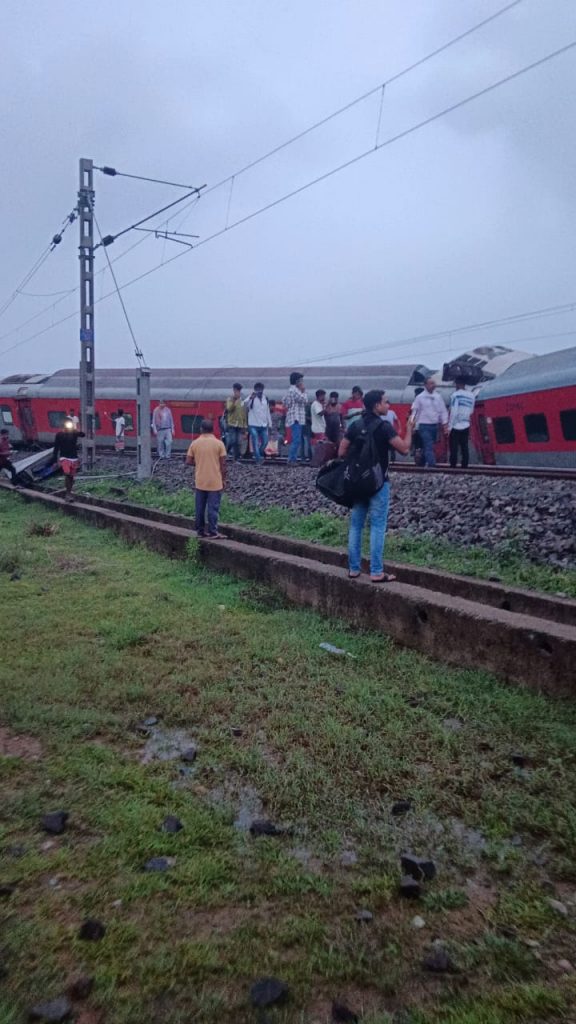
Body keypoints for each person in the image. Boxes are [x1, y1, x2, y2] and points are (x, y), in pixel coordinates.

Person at [338, 390, 413, 582]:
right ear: (376, 406)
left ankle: (354, 569)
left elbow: (341, 451)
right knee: (377, 526)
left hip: (357, 483)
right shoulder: (384, 427)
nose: (388, 406)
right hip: (379, 483)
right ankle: (377, 571)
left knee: (356, 526)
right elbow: (404, 449)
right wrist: (410, 428)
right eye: (386, 403)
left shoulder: (355, 425)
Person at [186, 419, 227, 538]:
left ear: (201, 430)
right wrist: (224, 479)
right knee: (213, 508)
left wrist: (199, 462)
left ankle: (200, 531)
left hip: (200, 481)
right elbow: (223, 465)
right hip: (215, 481)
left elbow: (188, 461)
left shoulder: (195, 443)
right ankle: (213, 531)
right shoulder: (219, 444)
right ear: (213, 430)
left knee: (200, 507)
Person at [410, 378, 448, 467]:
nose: (433, 385)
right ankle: (432, 465)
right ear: (426, 385)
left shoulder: (438, 397)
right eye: (431, 383)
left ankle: (422, 461)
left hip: (435, 425)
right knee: (428, 444)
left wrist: (445, 424)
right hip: (424, 425)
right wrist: (412, 425)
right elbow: (415, 412)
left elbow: (443, 411)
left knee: (429, 445)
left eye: (434, 383)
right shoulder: (420, 397)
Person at [53, 420, 85, 501]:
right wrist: (54, 461)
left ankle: (69, 492)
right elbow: (56, 448)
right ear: (64, 426)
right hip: (64, 457)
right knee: (67, 474)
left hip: (74, 457)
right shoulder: (59, 435)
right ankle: (68, 494)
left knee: (71, 477)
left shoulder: (74, 433)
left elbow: (83, 435)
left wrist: (76, 430)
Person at [449, 378, 475, 469]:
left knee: (454, 446)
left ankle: (453, 465)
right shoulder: (471, 395)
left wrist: (450, 426)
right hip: (466, 423)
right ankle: (465, 465)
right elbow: (472, 410)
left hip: (456, 425)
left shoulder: (455, 395)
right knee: (464, 446)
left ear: (457, 384)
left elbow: (454, 411)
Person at [283, 372, 308, 464]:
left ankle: (292, 458)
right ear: (297, 381)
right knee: (296, 440)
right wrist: (303, 391)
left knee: (296, 439)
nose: (302, 382)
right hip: (296, 418)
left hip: (294, 418)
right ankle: (291, 459)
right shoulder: (295, 391)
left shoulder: (290, 390)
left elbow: (284, 401)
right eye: (301, 380)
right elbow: (304, 400)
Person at [244, 382, 271, 464]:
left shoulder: (265, 398)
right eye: (258, 389)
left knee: (265, 441)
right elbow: (244, 405)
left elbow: (267, 412)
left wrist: (270, 423)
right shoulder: (251, 397)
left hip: (263, 424)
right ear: (255, 390)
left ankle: (258, 453)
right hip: (253, 424)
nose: (259, 391)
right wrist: (250, 398)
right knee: (255, 440)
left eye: (261, 389)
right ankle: (258, 459)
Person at [225, 383, 247, 461]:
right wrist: (234, 400)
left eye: (238, 390)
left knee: (237, 441)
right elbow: (229, 408)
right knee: (233, 440)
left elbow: (244, 413)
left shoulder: (242, 400)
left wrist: (245, 426)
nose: (237, 392)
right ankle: (226, 453)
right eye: (236, 390)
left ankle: (235, 458)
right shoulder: (230, 399)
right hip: (232, 423)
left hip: (240, 424)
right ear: (234, 390)